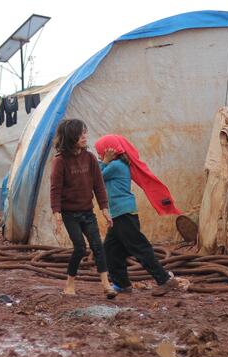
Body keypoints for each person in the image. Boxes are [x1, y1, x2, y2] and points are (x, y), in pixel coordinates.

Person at [97, 138, 182, 297]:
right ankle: (122, 284)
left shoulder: (115, 166)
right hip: (118, 215)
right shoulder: (115, 165)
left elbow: (97, 178)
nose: (99, 156)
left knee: (139, 248)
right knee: (111, 250)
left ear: (109, 151)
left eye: (100, 152)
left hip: (124, 215)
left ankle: (165, 280)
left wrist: (104, 161)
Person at [49, 119, 114, 298]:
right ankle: (69, 285)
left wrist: (105, 209)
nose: (85, 136)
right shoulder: (60, 161)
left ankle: (106, 285)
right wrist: (57, 213)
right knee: (80, 248)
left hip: (87, 212)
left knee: (98, 247)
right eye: (81, 133)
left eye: (85, 132)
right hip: (70, 214)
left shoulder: (90, 158)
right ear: (71, 137)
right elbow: (55, 189)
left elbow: (99, 185)